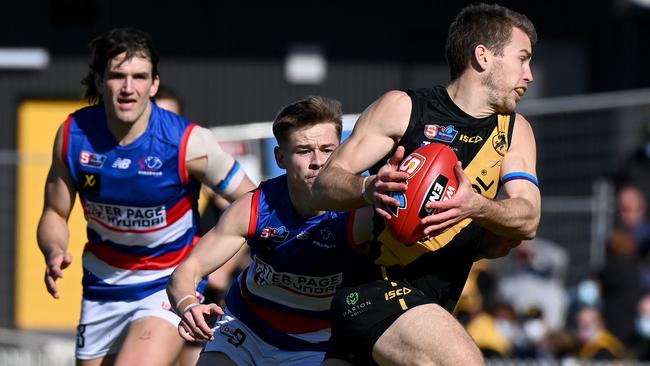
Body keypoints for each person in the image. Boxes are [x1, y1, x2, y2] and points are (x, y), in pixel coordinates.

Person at [311, 3, 541, 365]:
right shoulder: (403, 108)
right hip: (371, 291)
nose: (529, 74)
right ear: (483, 56)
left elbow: (528, 217)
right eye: (522, 59)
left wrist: (477, 207)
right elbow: (323, 185)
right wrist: (367, 189)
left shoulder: (515, 132)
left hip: (429, 309)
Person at [36, 27, 255, 365]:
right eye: (117, 76)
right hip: (102, 286)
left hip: (167, 282)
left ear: (154, 84)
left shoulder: (187, 142)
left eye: (139, 77)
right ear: (98, 80)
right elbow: (54, 212)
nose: (128, 88)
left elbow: (253, 203)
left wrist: (210, 263)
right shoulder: (72, 135)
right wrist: (53, 250)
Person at [167, 96, 376, 366]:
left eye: (328, 149)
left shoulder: (360, 210)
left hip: (320, 342)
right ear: (280, 158)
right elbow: (185, 271)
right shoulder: (256, 207)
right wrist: (188, 306)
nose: (318, 161)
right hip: (247, 330)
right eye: (303, 151)